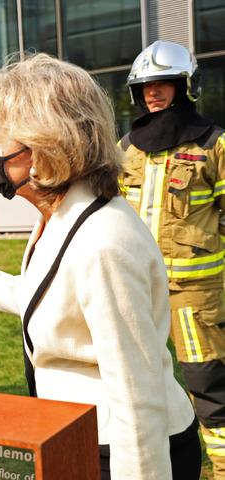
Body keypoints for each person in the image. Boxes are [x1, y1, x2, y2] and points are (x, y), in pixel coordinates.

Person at [0, 54, 200, 478]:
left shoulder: (103, 240)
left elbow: (138, 399)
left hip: (124, 453)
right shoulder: (64, 215)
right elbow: (46, 296)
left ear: (42, 150)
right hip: (80, 437)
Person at [119, 41, 225, 478]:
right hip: (135, 292)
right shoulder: (128, 148)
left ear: (185, 86)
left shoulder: (213, 144)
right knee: (135, 389)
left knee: (211, 391)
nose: (153, 93)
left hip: (193, 300)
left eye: (162, 84)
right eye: (145, 86)